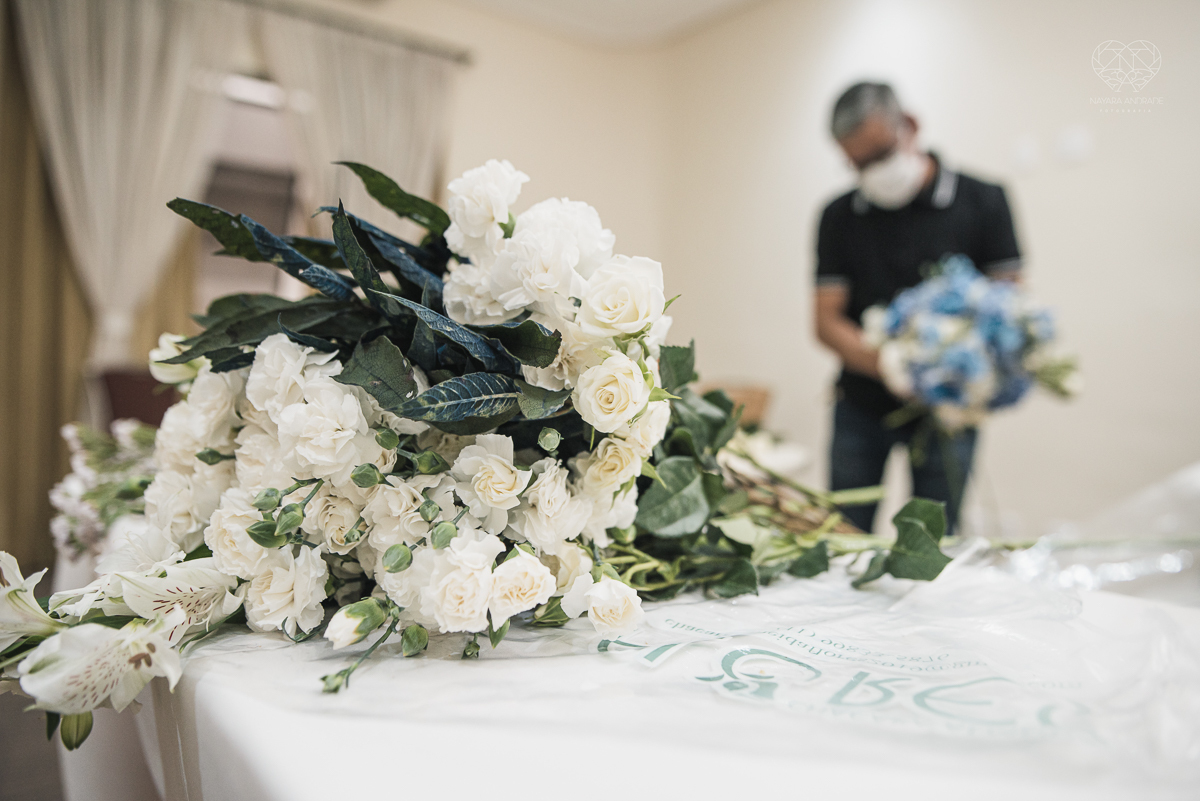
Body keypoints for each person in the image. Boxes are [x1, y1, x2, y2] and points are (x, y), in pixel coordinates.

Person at [813, 81, 1022, 534]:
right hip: (861, 405)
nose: (872, 171)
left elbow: (1006, 308)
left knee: (932, 540)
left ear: (909, 126)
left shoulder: (983, 201)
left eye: (879, 154)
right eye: (857, 164)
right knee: (842, 534)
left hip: (947, 413)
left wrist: (944, 367)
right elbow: (826, 320)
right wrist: (893, 365)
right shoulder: (838, 217)